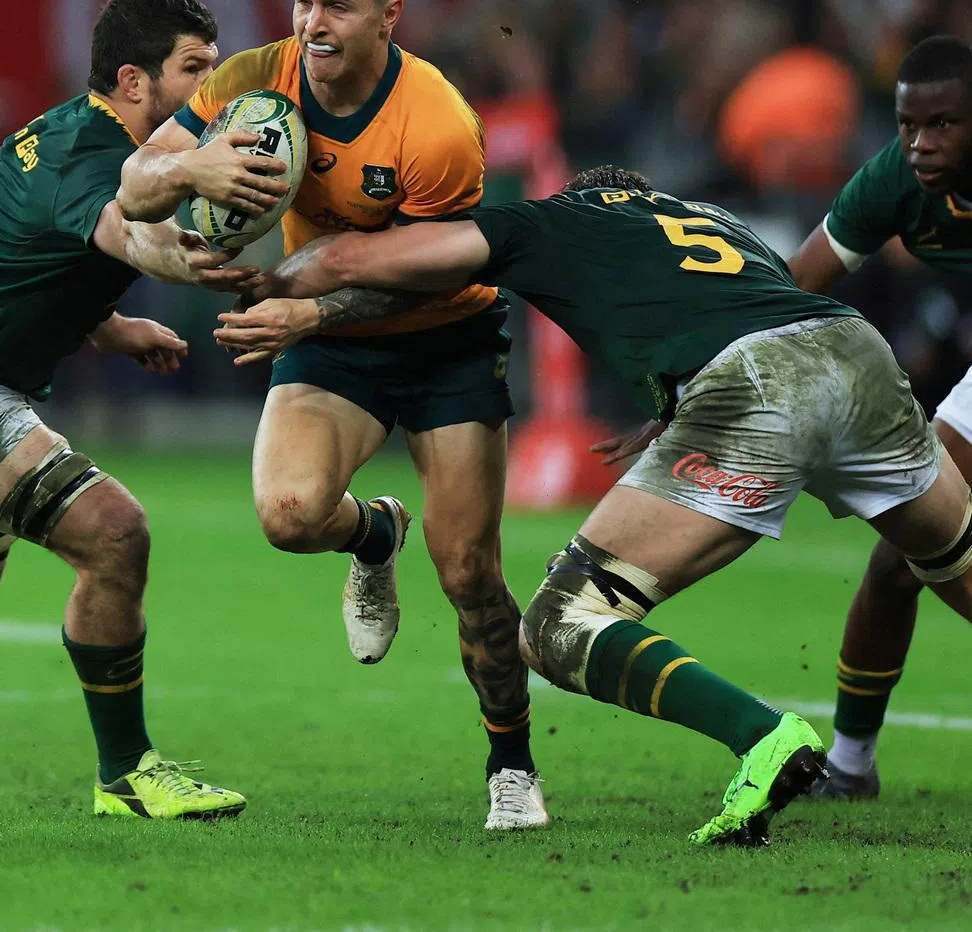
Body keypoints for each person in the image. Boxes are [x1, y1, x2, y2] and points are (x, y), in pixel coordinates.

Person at [216, 165, 972, 845]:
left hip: (759, 391)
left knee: (556, 625)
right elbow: (758, 307)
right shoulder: (714, 218)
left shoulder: (554, 218)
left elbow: (356, 257)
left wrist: (280, 288)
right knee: (954, 563)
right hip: (857, 355)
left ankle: (763, 737)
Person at [118, 0, 546, 830]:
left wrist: (306, 307)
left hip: (443, 336)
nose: (312, 23)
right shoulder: (253, 81)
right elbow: (134, 188)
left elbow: (424, 276)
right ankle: (371, 538)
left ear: (390, 16)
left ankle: (511, 762)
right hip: (327, 335)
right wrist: (196, 165)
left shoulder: (437, 127)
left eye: (337, 7)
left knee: (469, 570)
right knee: (286, 514)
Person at [0, 0, 285, 820]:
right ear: (134, 80)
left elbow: (24, 266)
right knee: (115, 535)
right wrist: (196, 237)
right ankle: (128, 774)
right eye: (196, 70)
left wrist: (112, 328)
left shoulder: (83, 138)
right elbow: (127, 234)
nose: (213, 93)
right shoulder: (93, 152)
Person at [784, 34, 972, 798]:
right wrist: (687, 384)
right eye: (908, 126)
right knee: (906, 548)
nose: (922, 145)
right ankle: (851, 766)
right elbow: (795, 282)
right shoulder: (896, 180)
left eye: (945, 125)